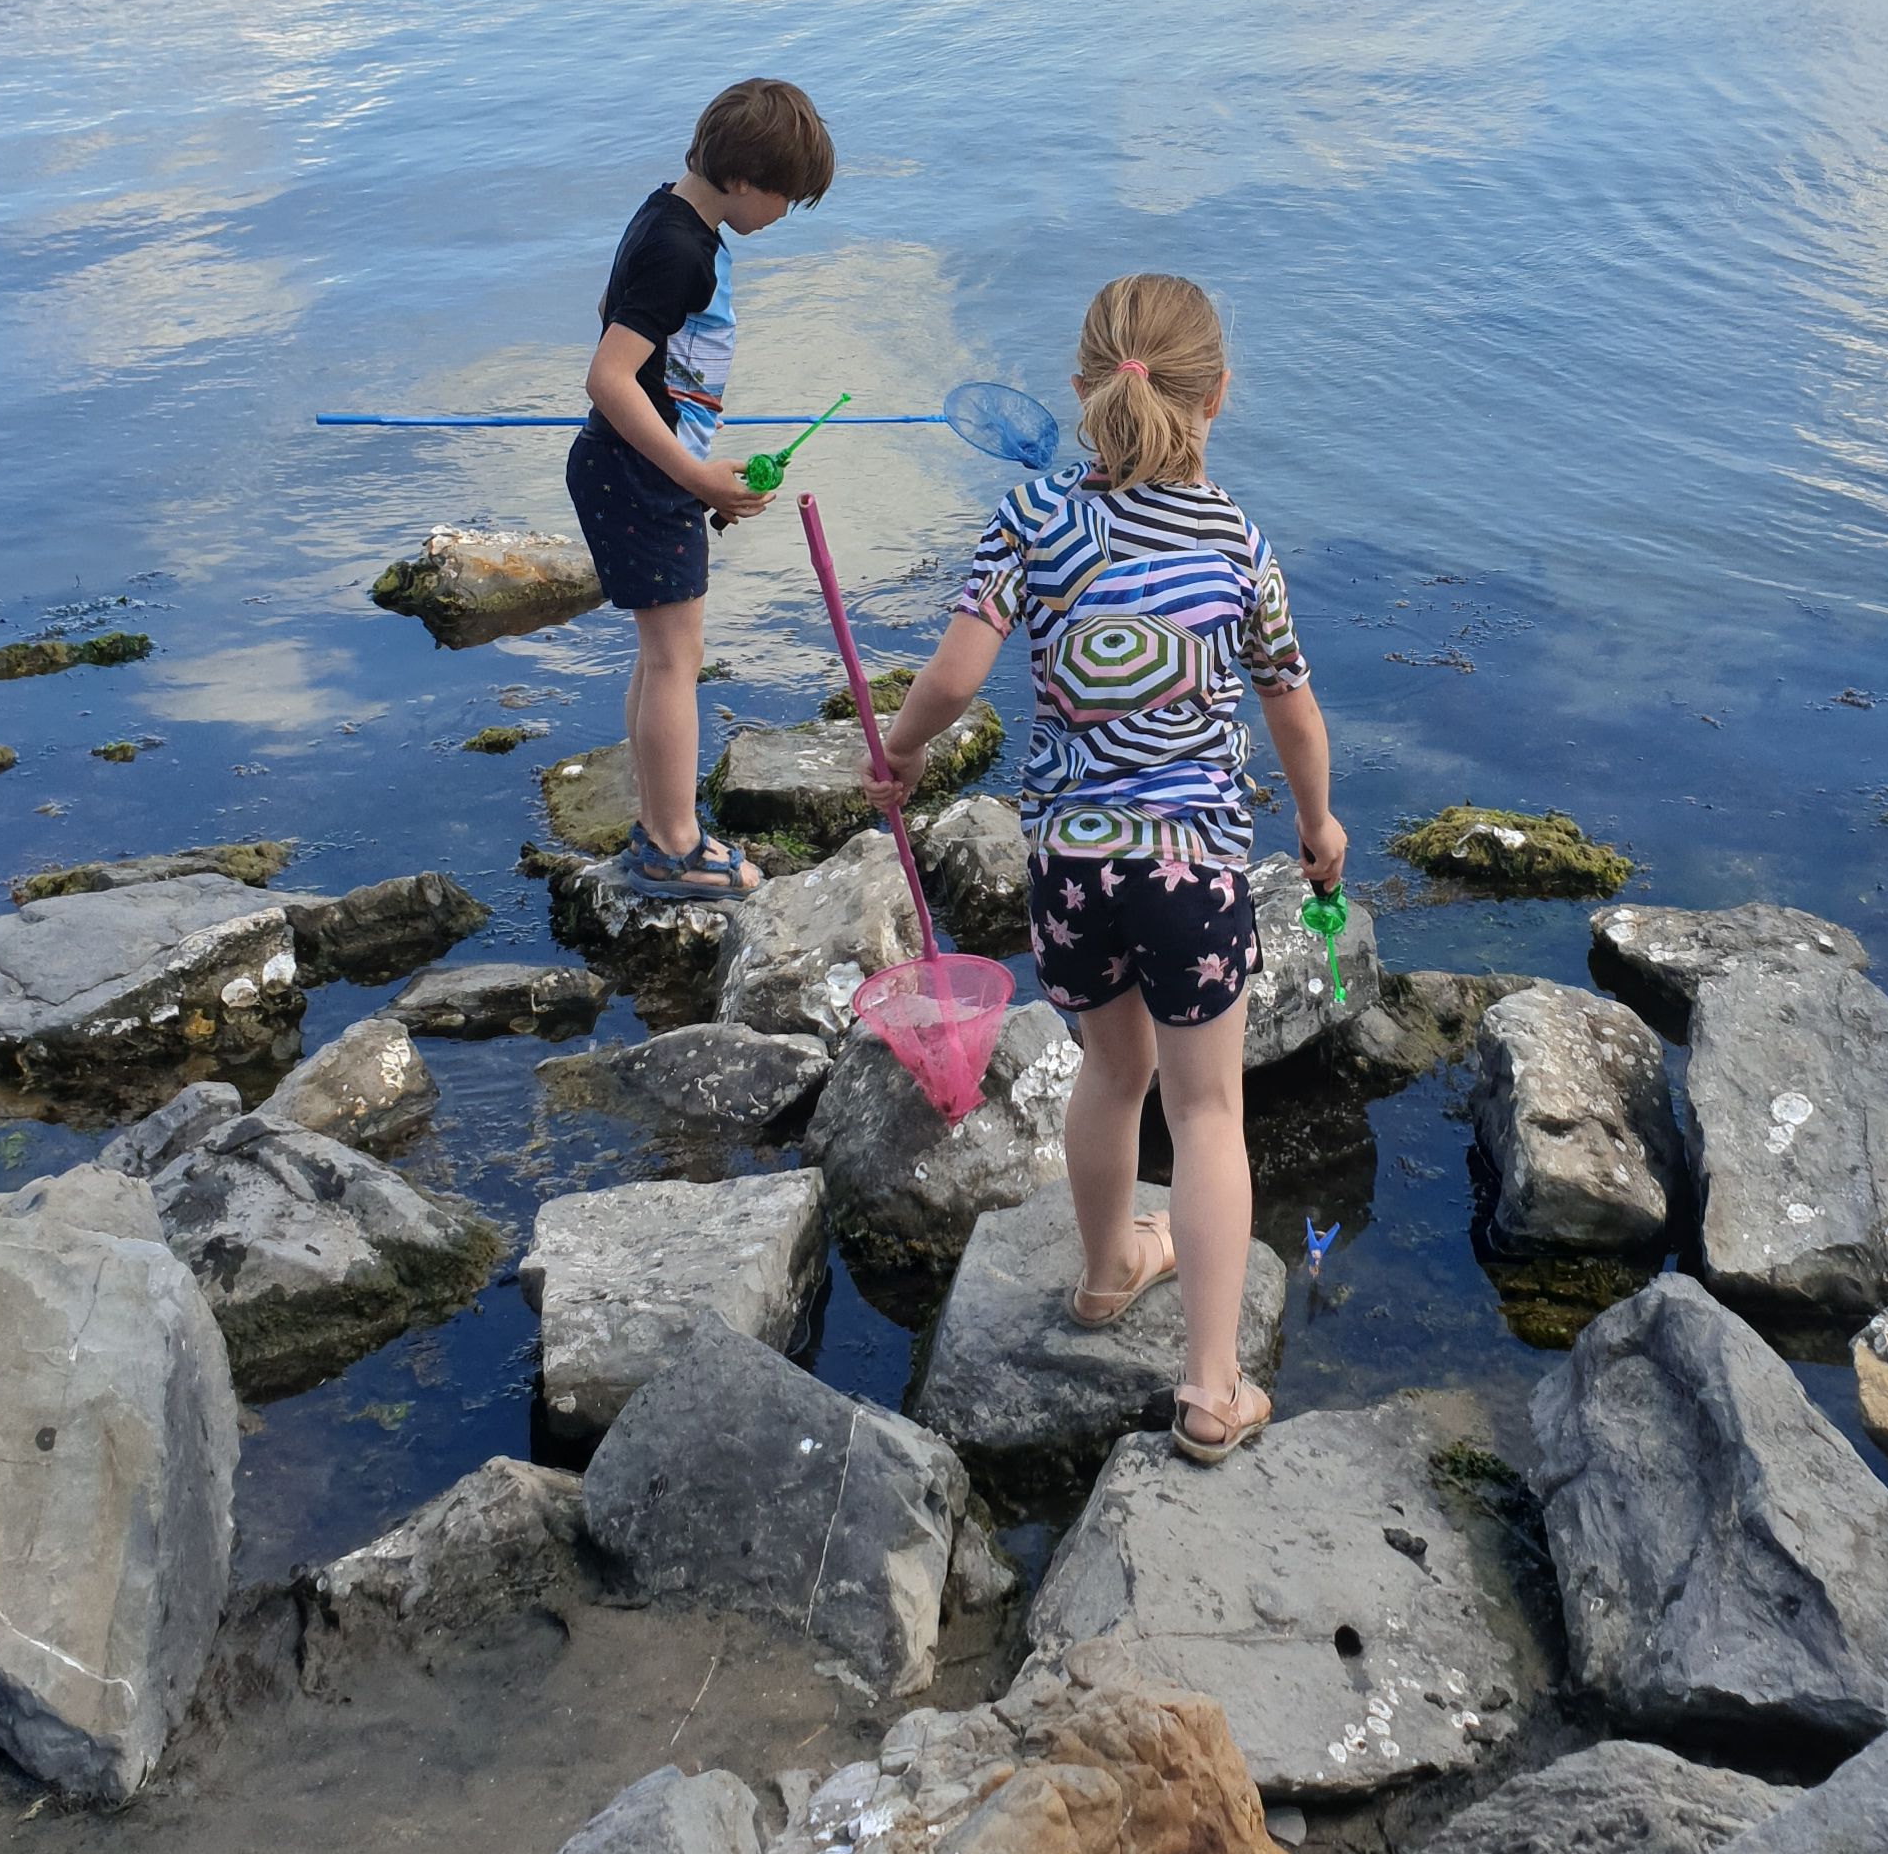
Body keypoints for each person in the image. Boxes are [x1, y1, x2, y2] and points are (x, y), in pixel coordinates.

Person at [865, 273, 1344, 1463]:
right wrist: (1318, 825)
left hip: (1071, 864)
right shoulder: (1237, 538)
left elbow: (958, 676)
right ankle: (1209, 1387)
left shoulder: (1032, 516)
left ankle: (1105, 1271)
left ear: (1083, 388)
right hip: (1191, 864)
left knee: (1110, 1076)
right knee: (1209, 1107)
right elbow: (1292, 710)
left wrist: (906, 753)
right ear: (1217, 396)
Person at [566, 76, 836, 894]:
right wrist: (693, 476)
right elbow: (608, 377)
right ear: (746, 179)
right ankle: (675, 846)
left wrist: (693, 463)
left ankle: (657, 824)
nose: (784, 215)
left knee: (660, 657)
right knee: (678, 659)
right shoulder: (682, 249)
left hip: (640, 469)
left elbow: (614, 306)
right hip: (638, 474)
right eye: (787, 197)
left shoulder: (667, 216)